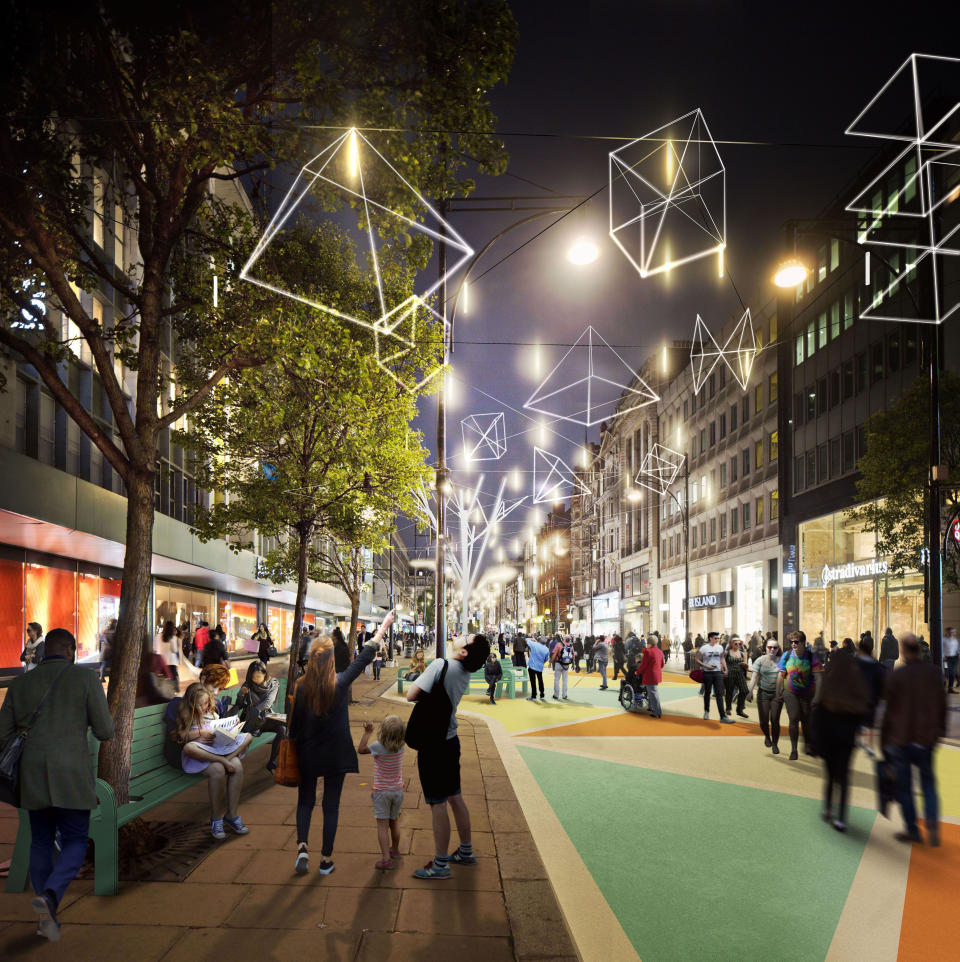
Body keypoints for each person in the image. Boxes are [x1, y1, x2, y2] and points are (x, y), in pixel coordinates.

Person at [0, 628, 113, 942]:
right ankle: (50, 896)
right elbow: (105, 731)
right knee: (76, 840)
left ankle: (43, 918)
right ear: (71, 651)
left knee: (40, 840)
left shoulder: (19, 684)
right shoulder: (86, 679)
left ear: (41, 651)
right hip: (71, 775)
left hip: (32, 775)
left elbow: (1, 735)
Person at [291, 611, 394, 876]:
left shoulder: (301, 687)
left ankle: (302, 846)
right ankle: (325, 860)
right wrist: (383, 627)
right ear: (331, 660)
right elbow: (365, 657)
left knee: (305, 801)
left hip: (308, 753)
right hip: (336, 754)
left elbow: (295, 726)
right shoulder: (340, 683)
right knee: (331, 806)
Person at [406, 632, 490, 879]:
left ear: (464, 652)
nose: (462, 636)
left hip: (433, 744)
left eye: (466, 638)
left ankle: (441, 864)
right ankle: (465, 851)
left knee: (437, 802)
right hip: (450, 739)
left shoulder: (441, 665)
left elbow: (411, 695)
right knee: (455, 796)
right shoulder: (463, 671)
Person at [882, 633, 947, 846]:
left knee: (905, 787)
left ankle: (913, 830)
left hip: (901, 740)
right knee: (928, 783)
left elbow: (889, 713)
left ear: (903, 651)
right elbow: (942, 706)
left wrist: (884, 742)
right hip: (925, 739)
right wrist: (939, 731)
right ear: (919, 650)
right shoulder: (934, 674)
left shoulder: (897, 677)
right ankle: (932, 824)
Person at [168, 682, 253, 839]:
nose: (205, 707)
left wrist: (229, 729)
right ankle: (216, 818)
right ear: (192, 704)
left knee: (240, 759)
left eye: (207, 703)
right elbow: (179, 736)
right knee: (214, 766)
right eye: (201, 705)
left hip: (218, 749)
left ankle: (232, 815)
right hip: (200, 754)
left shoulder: (212, 712)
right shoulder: (187, 714)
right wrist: (200, 733)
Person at [814, 649, 870, 832]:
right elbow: (863, 710)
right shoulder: (857, 683)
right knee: (844, 777)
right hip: (846, 739)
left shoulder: (829, 684)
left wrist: (816, 741)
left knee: (830, 775)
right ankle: (842, 819)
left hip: (829, 738)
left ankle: (828, 808)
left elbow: (819, 713)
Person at [357, 715, 405, 870]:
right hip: (397, 791)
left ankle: (386, 859)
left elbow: (361, 749)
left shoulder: (379, 746)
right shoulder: (401, 746)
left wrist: (367, 732)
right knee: (395, 821)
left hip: (382, 792)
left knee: (382, 826)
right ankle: (395, 850)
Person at [776, 630, 823, 760]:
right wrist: (778, 693)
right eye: (791, 642)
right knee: (794, 718)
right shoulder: (787, 655)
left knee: (806, 721)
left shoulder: (811, 657)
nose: (793, 644)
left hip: (807, 694)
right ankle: (794, 749)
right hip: (790, 692)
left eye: (796, 642)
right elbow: (780, 676)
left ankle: (808, 744)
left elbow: (819, 678)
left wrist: (818, 697)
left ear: (803, 642)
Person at [233, 660, 287, 772]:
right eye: (254, 677)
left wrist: (256, 709)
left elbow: (268, 702)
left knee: (283, 729)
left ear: (265, 674)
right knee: (284, 726)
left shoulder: (273, 684)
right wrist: (242, 694)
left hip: (266, 718)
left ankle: (272, 761)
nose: (257, 679)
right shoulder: (247, 685)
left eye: (259, 676)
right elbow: (239, 703)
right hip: (252, 721)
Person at [748, 639, 783, 752]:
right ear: (766, 648)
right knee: (763, 721)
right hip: (763, 693)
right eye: (770, 647)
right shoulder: (760, 660)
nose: (772, 649)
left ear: (778, 649)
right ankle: (767, 736)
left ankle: (775, 744)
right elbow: (754, 677)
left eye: (775, 648)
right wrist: (749, 691)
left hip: (776, 695)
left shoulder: (782, 661)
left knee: (775, 720)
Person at [696, 631, 734, 723]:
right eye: (716, 638)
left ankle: (723, 717)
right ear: (710, 638)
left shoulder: (720, 647)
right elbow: (697, 659)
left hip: (717, 673)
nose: (717, 639)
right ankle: (706, 711)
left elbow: (722, 658)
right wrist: (705, 666)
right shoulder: (704, 648)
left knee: (719, 694)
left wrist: (726, 668)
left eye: (718, 638)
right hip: (707, 673)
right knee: (707, 693)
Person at [638, 636, 665, 718]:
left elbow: (644, 665)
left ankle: (657, 712)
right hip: (657, 675)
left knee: (653, 694)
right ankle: (651, 707)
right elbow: (662, 664)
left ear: (649, 643)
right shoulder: (660, 652)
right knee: (651, 692)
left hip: (650, 676)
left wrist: (638, 672)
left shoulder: (648, 652)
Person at [724, 636, 750, 718]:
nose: (738, 645)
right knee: (729, 692)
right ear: (731, 644)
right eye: (736, 643)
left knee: (745, 690)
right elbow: (722, 663)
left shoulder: (742, 653)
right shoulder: (727, 653)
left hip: (740, 674)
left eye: (740, 643)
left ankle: (739, 709)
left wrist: (745, 665)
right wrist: (724, 670)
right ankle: (728, 708)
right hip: (730, 674)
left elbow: (746, 666)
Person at [154, 619, 181, 690]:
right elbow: (174, 650)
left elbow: (155, 648)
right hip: (171, 661)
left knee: (162, 680)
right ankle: (173, 694)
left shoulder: (158, 636)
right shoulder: (173, 637)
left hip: (161, 661)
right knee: (173, 680)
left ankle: (164, 694)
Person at [526, 635, 550, 701]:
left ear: (539, 640)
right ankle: (542, 695)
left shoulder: (534, 644)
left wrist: (533, 639)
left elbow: (526, 640)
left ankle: (534, 696)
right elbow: (546, 659)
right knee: (540, 681)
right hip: (540, 667)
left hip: (532, 666)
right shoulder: (546, 649)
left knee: (533, 682)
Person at [552, 636, 573, 700]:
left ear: (563, 639)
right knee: (565, 680)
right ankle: (564, 695)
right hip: (566, 665)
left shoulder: (558, 644)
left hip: (558, 663)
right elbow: (573, 655)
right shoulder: (571, 646)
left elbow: (554, 654)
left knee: (556, 679)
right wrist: (573, 664)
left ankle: (556, 695)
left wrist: (551, 662)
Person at [942, 627, 959, 693]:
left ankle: (950, 688)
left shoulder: (955, 640)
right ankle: (944, 685)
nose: (952, 633)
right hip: (946, 659)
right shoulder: (944, 640)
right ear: (947, 632)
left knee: (953, 673)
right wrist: (943, 656)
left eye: (953, 632)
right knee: (947, 672)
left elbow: (957, 649)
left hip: (954, 659)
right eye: (950, 632)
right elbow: (942, 649)